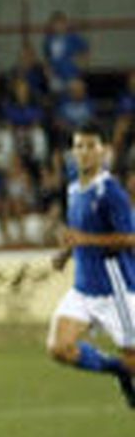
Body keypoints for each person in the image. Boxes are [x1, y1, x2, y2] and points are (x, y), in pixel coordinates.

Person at [48, 125, 135, 408]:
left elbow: (129, 239)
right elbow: (78, 230)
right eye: (79, 147)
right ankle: (117, 369)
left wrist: (87, 239)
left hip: (115, 291)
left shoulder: (111, 192)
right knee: (59, 348)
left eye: (90, 146)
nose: (84, 153)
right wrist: (65, 253)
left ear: (103, 151)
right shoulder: (74, 187)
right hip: (84, 288)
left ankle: (127, 369)